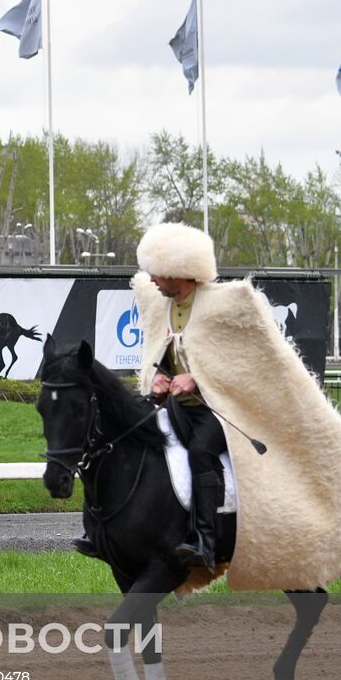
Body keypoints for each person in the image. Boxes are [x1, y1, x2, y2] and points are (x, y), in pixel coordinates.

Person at [72, 223, 226, 569]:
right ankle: (100, 532)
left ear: (179, 272)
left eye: (157, 273)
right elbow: (175, 353)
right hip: (177, 407)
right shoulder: (170, 305)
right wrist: (162, 376)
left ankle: (205, 542)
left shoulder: (217, 307)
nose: (152, 280)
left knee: (201, 451)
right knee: (121, 436)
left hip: (218, 412)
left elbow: (237, 363)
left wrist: (197, 380)